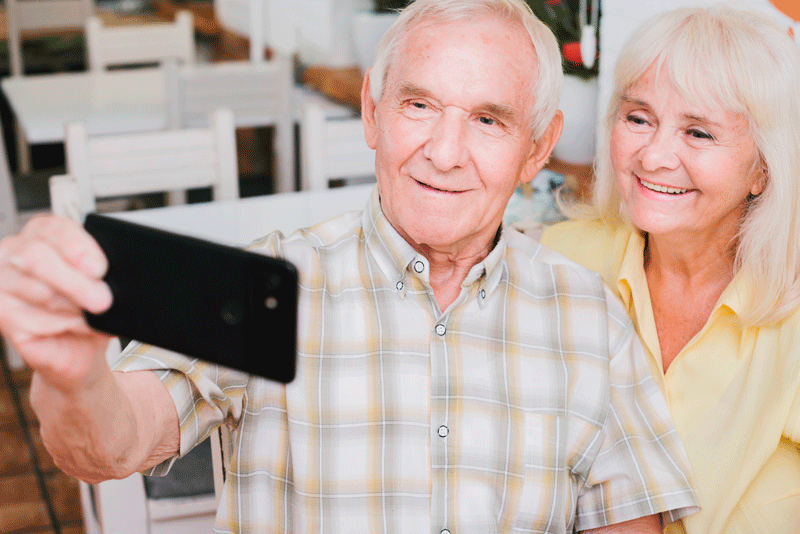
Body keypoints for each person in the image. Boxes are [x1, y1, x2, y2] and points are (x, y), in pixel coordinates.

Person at [0, 0, 699, 532]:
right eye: (419, 104)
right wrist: (73, 373)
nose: (446, 151)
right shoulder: (265, 279)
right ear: (372, 111)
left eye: (489, 120)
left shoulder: (590, 316)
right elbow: (108, 445)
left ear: (538, 149)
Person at [541, 5, 800, 534]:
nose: (654, 156)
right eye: (638, 118)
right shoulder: (559, 264)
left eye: (698, 133)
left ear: (762, 169)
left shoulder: (790, 311)